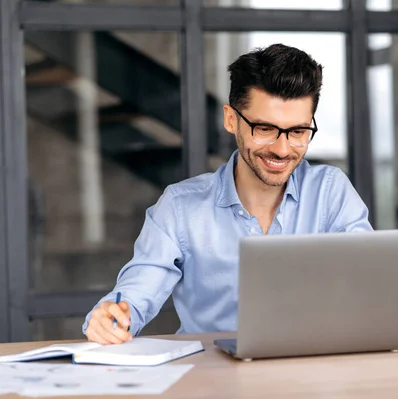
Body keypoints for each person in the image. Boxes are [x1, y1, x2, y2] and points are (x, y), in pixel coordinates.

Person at [82, 43, 373, 345]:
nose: (282, 149)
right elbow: (135, 294)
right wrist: (110, 320)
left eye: (298, 132)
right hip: (211, 378)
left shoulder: (330, 192)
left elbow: (369, 287)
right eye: (264, 129)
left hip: (311, 374)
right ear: (231, 119)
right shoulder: (181, 207)